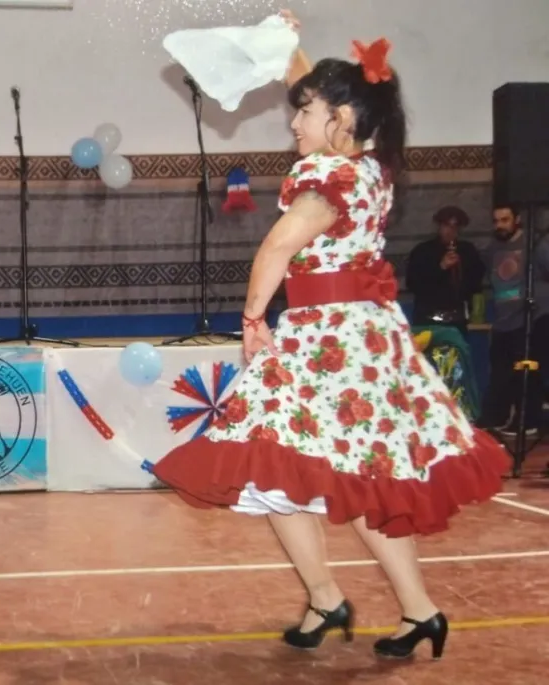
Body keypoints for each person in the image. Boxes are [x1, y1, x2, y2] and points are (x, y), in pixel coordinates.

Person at [150, 19, 510, 662]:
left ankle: (345, 598)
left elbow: (276, 248)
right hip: (359, 344)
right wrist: (290, 46)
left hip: (326, 347)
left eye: (306, 112)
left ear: (340, 117)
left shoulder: (328, 177)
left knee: (284, 466)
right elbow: (317, 93)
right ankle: (390, 607)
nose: (294, 121)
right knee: (328, 477)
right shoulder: (368, 166)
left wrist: (253, 321)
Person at [477, 205, 549, 437]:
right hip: (502, 319)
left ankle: (527, 420)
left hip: (530, 318)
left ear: (516, 219)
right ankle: (495, 418)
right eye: (496, 220)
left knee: (527, 374)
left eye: (505, 220)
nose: (500, 225)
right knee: (500, 373)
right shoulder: (492, 248)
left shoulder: (535, 245)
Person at [406, 205, 485, 334]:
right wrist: (441, 267)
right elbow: (413, 284)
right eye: (446, 226)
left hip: (457, 320)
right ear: (439, 226)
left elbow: (475, 283)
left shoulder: (467, 251)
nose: (450, 231)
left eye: (455, 227)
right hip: (428, 320)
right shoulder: (423, 251)